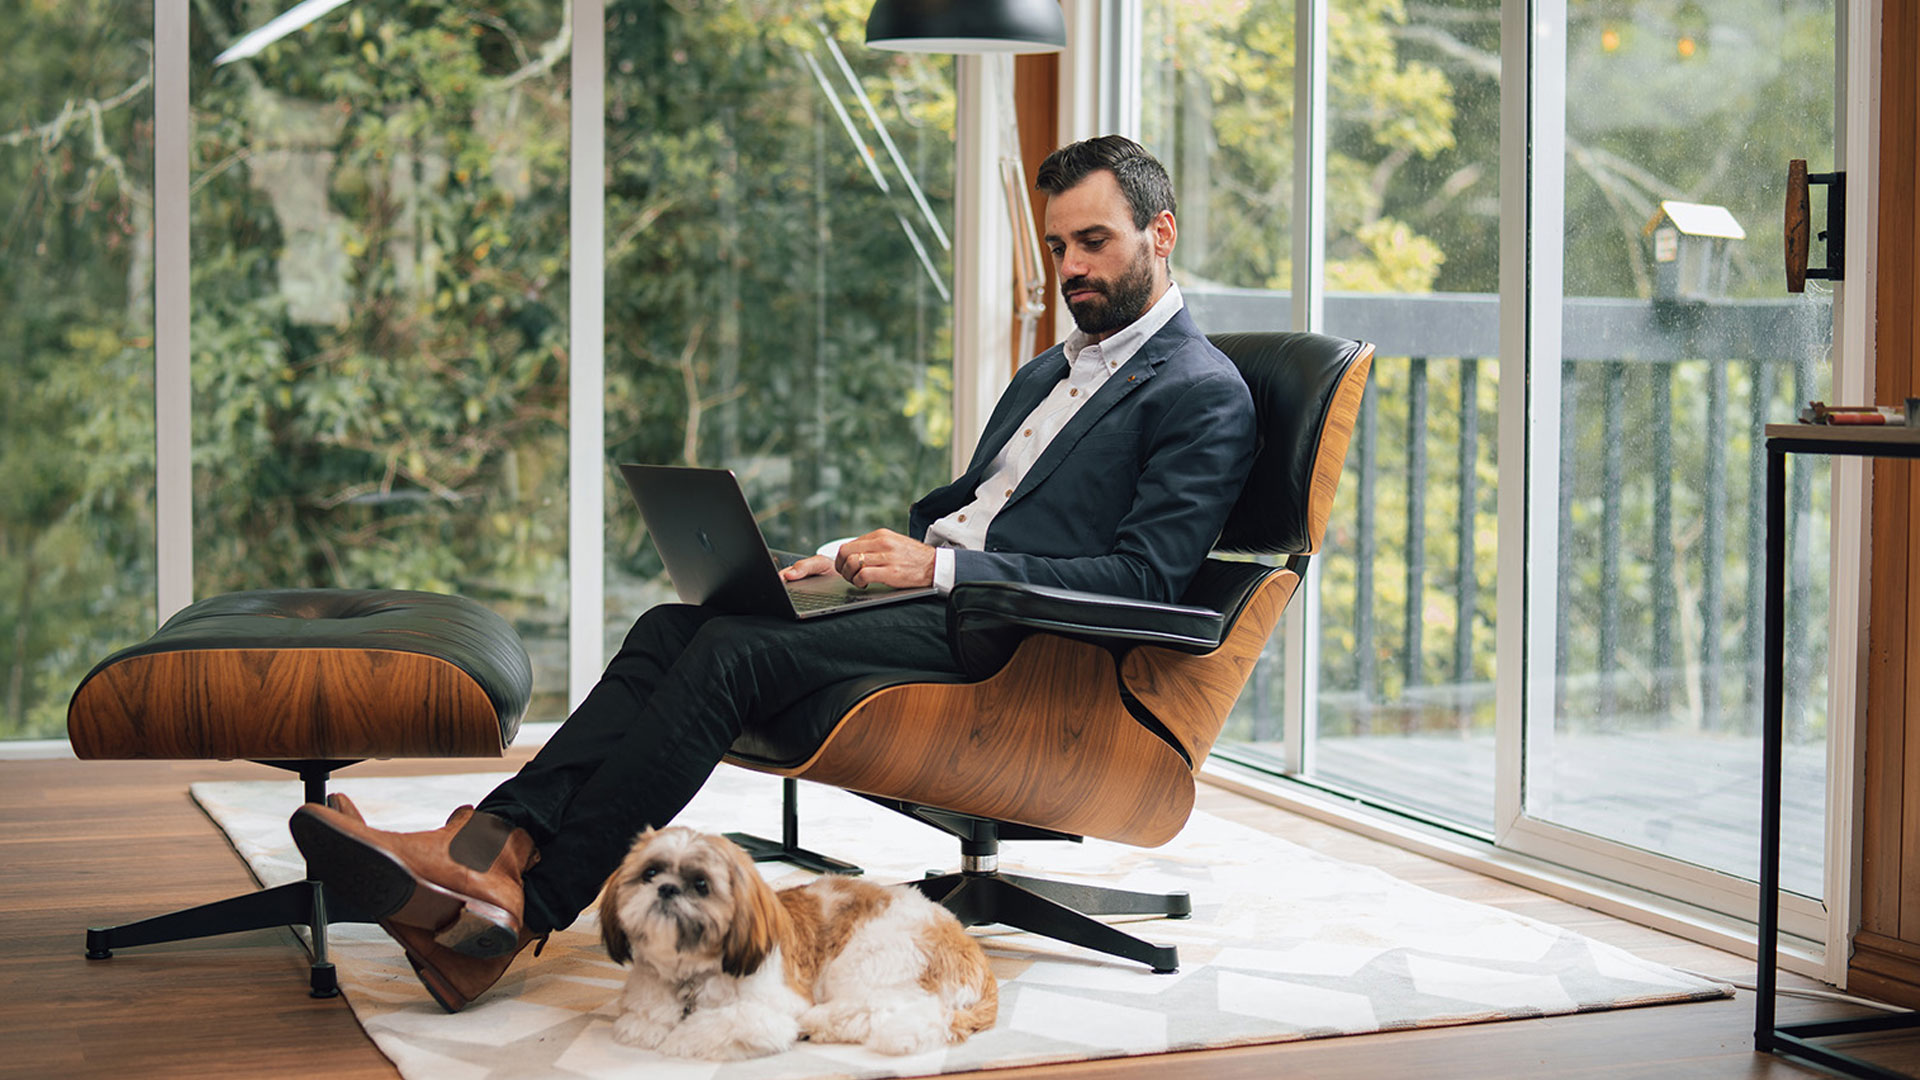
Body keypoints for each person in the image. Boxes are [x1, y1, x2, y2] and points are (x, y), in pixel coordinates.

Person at [290, 134, 1259, 1012]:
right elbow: (962, 507)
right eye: (1057, 248)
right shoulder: (1052, 371)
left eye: (1093, 242)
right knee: (676, 627)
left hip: (1013, 646)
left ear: (1160, 232)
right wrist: (851, 559)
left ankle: (522, 910)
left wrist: (947, 569)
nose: (1071, 269)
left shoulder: (1201, 392)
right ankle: (488, 848)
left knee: (728, 655)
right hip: (934, 592)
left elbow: (1146, 581)